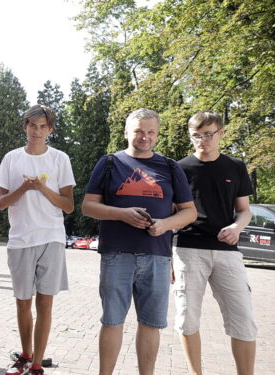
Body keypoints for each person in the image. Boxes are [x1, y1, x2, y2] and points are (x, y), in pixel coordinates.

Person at [82, 108, 196, 375]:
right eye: (138, 131)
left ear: (156, 134)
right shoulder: (110, 162)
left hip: (157, 255)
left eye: (150, 132)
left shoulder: (170, 166)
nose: (144, 137)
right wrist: (122, 215)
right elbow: (88, 206)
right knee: (112, 321)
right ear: (126, 133)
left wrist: (165, 224)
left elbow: (189, 211)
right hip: (116, 254)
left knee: (151, 324)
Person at [0, 105, 75, 375]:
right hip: (20, 239)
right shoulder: (12, 158)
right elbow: (1, 203)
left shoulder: (60, 159)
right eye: (32, 125)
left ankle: (37, 362)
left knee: (45, 302)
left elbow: (68, 206)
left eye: (43, 126)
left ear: (50, 130)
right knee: (22, 301)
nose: (37, 131)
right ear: (25, 126)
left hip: (51, 237)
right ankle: (25, 355)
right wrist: (24, 188)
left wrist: (42, 188)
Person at [173, 111, 257, 375]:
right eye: (196, 135)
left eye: (208, 134)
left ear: (220, 133)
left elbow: (244, 209)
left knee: (243, 320)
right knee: (187, 319)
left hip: (227, 252)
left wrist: (237, 226)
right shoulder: (179, 168)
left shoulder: (236, 166)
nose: (202, 140)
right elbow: (170, 213)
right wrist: (167, 258)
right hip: (187, 248)